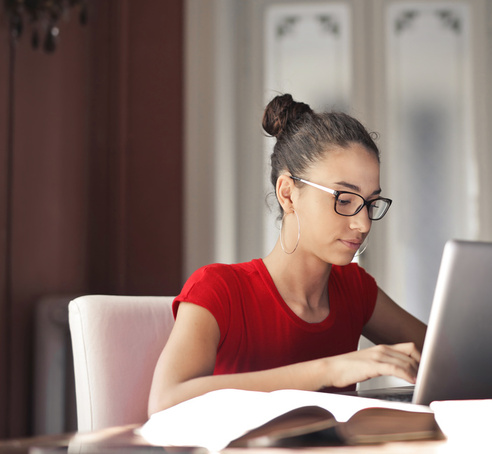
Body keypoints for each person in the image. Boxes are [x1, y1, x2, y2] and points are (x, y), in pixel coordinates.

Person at [148, 94, 427, 415]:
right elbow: (166, 400)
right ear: (288, 194)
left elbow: (449, 358)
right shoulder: (219, 289)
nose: (362, 223)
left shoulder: (355, 290)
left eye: (370, 203)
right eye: (345, 199)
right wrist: (327, 370)